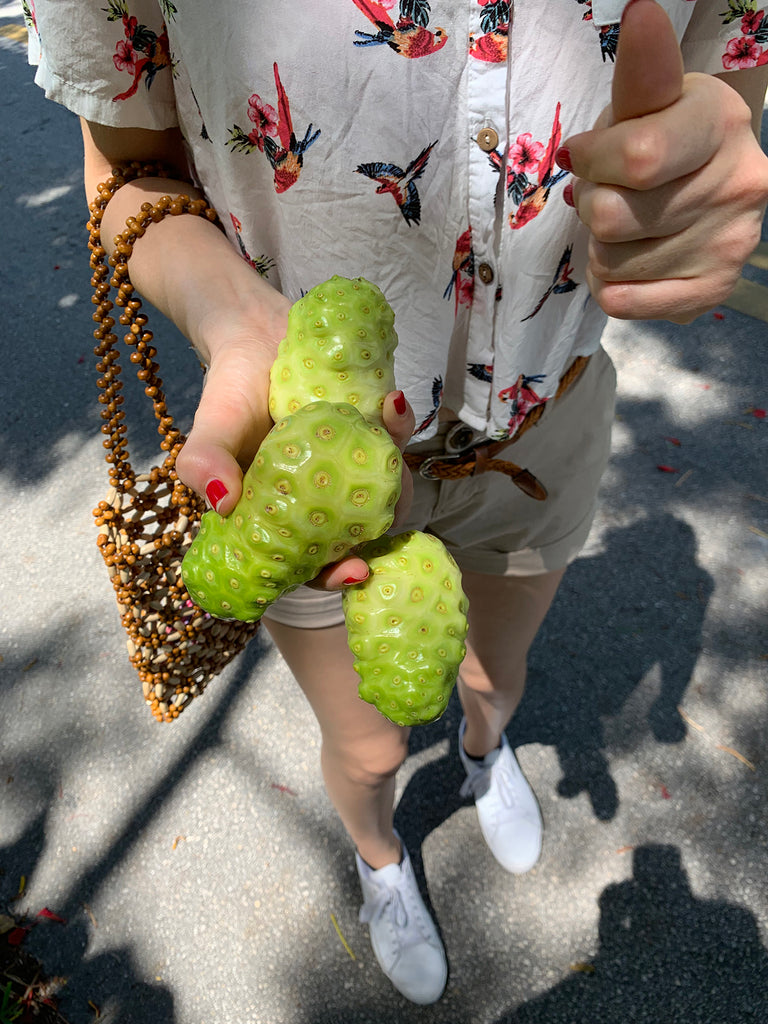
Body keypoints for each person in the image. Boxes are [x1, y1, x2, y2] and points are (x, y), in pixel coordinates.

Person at [26, 0, 768, 1005]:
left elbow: (722, 89)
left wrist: (700, 167)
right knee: (369, 742)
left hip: (538, 435)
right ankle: (380, 858)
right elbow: (129, 167)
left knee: (494, 677)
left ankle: (480, 750)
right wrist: (231, 308)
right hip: (297, 462)